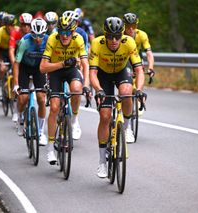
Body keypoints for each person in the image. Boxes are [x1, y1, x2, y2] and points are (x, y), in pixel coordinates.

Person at [89, 17, 146, 178]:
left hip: (122, 70)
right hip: (103, 75)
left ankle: (127, 127)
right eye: (110, 36)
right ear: (105, 35)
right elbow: (92, 73)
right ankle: (102, 162)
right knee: (105, 116)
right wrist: (98, 89)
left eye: (117, 37)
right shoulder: (97, 44)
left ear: (122, 35)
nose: (113, 40)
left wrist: (140, 89)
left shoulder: (129, 42)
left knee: (127, 92)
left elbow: (139, 70)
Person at [40, 12, 90, 165]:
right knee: (54, 108)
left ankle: (74, 120)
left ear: (73, 32)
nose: (64, 36)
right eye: (62, 32)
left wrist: (86, 85)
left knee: (76, 89)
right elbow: (42, 68)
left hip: (71, 70)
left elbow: (86, 63)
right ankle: (50, 149)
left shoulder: (78, 39)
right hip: (55, 70)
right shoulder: (52, 40)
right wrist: (62, 63)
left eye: (68, 32)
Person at [13, 18, 48, 145]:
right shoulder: (25, 42)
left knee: (41, 98)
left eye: (41, 35)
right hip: (24, 68)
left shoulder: (49, 40)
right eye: (35, 35)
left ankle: (40, 131)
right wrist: (16, 84)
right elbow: (16, 63)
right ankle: (20, 118)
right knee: (23, 98)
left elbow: (52, 61)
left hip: (39, 69)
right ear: (31, 32)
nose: (38, 39)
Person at [0, 13, 18, 122]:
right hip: (3, 51)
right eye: (8, 25)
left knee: (15, 74)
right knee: (3, 69)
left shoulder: (17, 30)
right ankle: (1, 85)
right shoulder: (0, 31)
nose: (11, 27)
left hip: (13, 51)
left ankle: (13, 97)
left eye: (13, 25)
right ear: (5, 25)